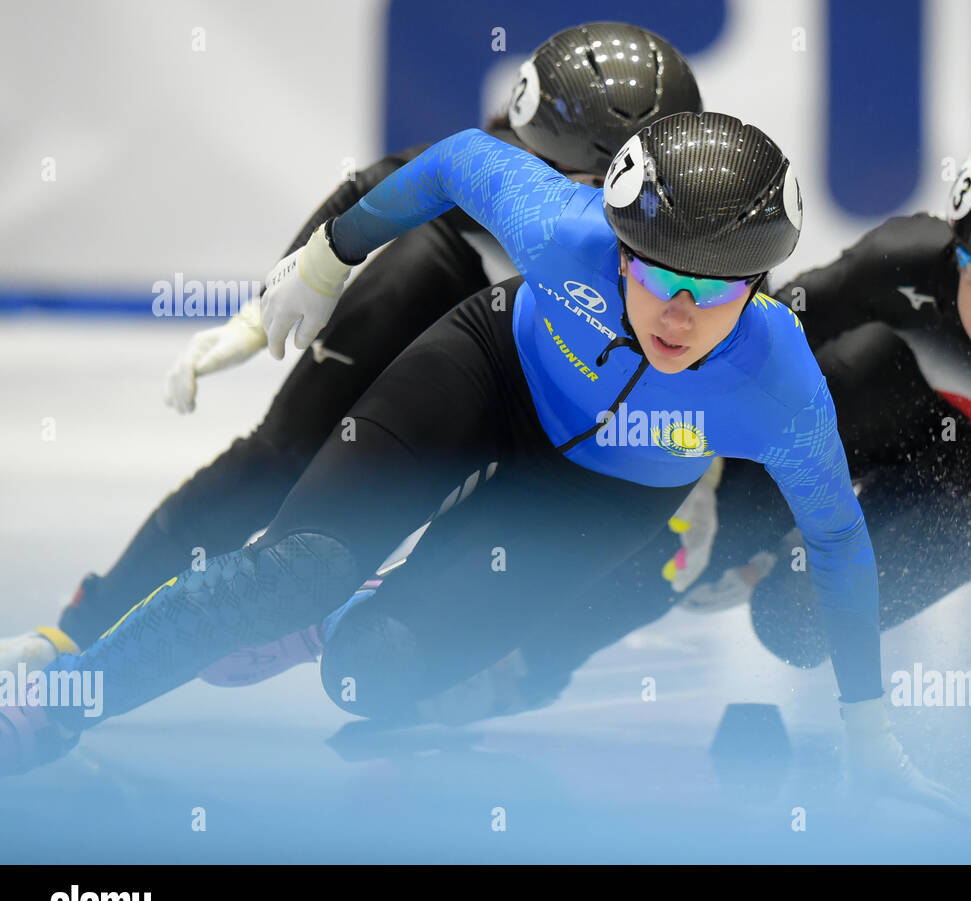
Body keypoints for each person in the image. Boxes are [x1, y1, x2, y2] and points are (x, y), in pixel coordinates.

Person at [2, 107, 964, 818]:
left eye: (710, 294)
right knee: (284, 575)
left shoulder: (781, 382)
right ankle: (59, 701)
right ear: (619, 244)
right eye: (654, 276)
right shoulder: (567, 234)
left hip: (610, 490)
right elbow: (455, 162)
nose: (676, 313)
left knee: (366, 677)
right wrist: (322, 263)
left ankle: (346, 615)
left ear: (758, 289)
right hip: (491, 369)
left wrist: (868, 726)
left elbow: (838, 544)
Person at [415, 125, 971, 770]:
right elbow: (742, 345)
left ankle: (768, 566)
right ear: (956, 254)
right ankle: (528, 663)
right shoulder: (906, 259)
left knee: (797, 624)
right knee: (690, 533)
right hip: (889, 386)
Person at [0, 21, 703, 681]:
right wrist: (268, 301)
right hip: (450, 289)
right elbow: (370, 188)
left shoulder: (671, 222)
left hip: (535, 356)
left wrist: (708, 461)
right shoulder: (496, 185)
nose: (611, 228)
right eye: (581, 194)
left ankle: (381, 624)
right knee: (278, 457)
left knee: (539, 510)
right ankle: (83, 631)